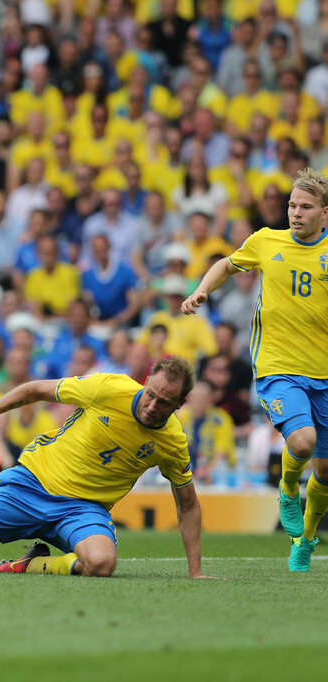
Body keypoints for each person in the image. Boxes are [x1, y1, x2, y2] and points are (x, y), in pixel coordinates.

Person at [0, 356, 217, 580]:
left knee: (101, 564)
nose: (152, 406)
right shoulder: (108, 387)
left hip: (83, 509)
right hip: (31, 485)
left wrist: (196, 572)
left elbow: (187, 504)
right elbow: (36, 389)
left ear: (180, 404)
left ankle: (34, 564)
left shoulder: (172, 442)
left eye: (164, 402)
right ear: (145, 382)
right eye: (150, 394)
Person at [181, 168, 328, 572]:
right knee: (301, 444)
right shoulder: (267, 240)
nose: (296, 213)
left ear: (324, 213)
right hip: (278, 367)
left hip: (324, 374)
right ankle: (286, 489)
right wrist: (201, 290)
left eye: (306, 207)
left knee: (327, 470)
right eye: (292, 205)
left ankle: (306, 538)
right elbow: (226, 265)